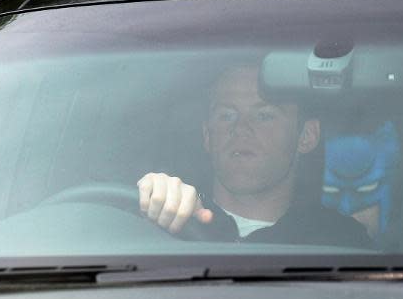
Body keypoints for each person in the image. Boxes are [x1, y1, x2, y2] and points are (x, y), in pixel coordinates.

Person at [137, 63, 369, 247]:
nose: (240, 129)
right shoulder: (167, 217)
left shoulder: (339, 243)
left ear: (306, 136)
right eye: (227, 115)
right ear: (207, 136)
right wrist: (153, 199)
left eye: (264, 116)